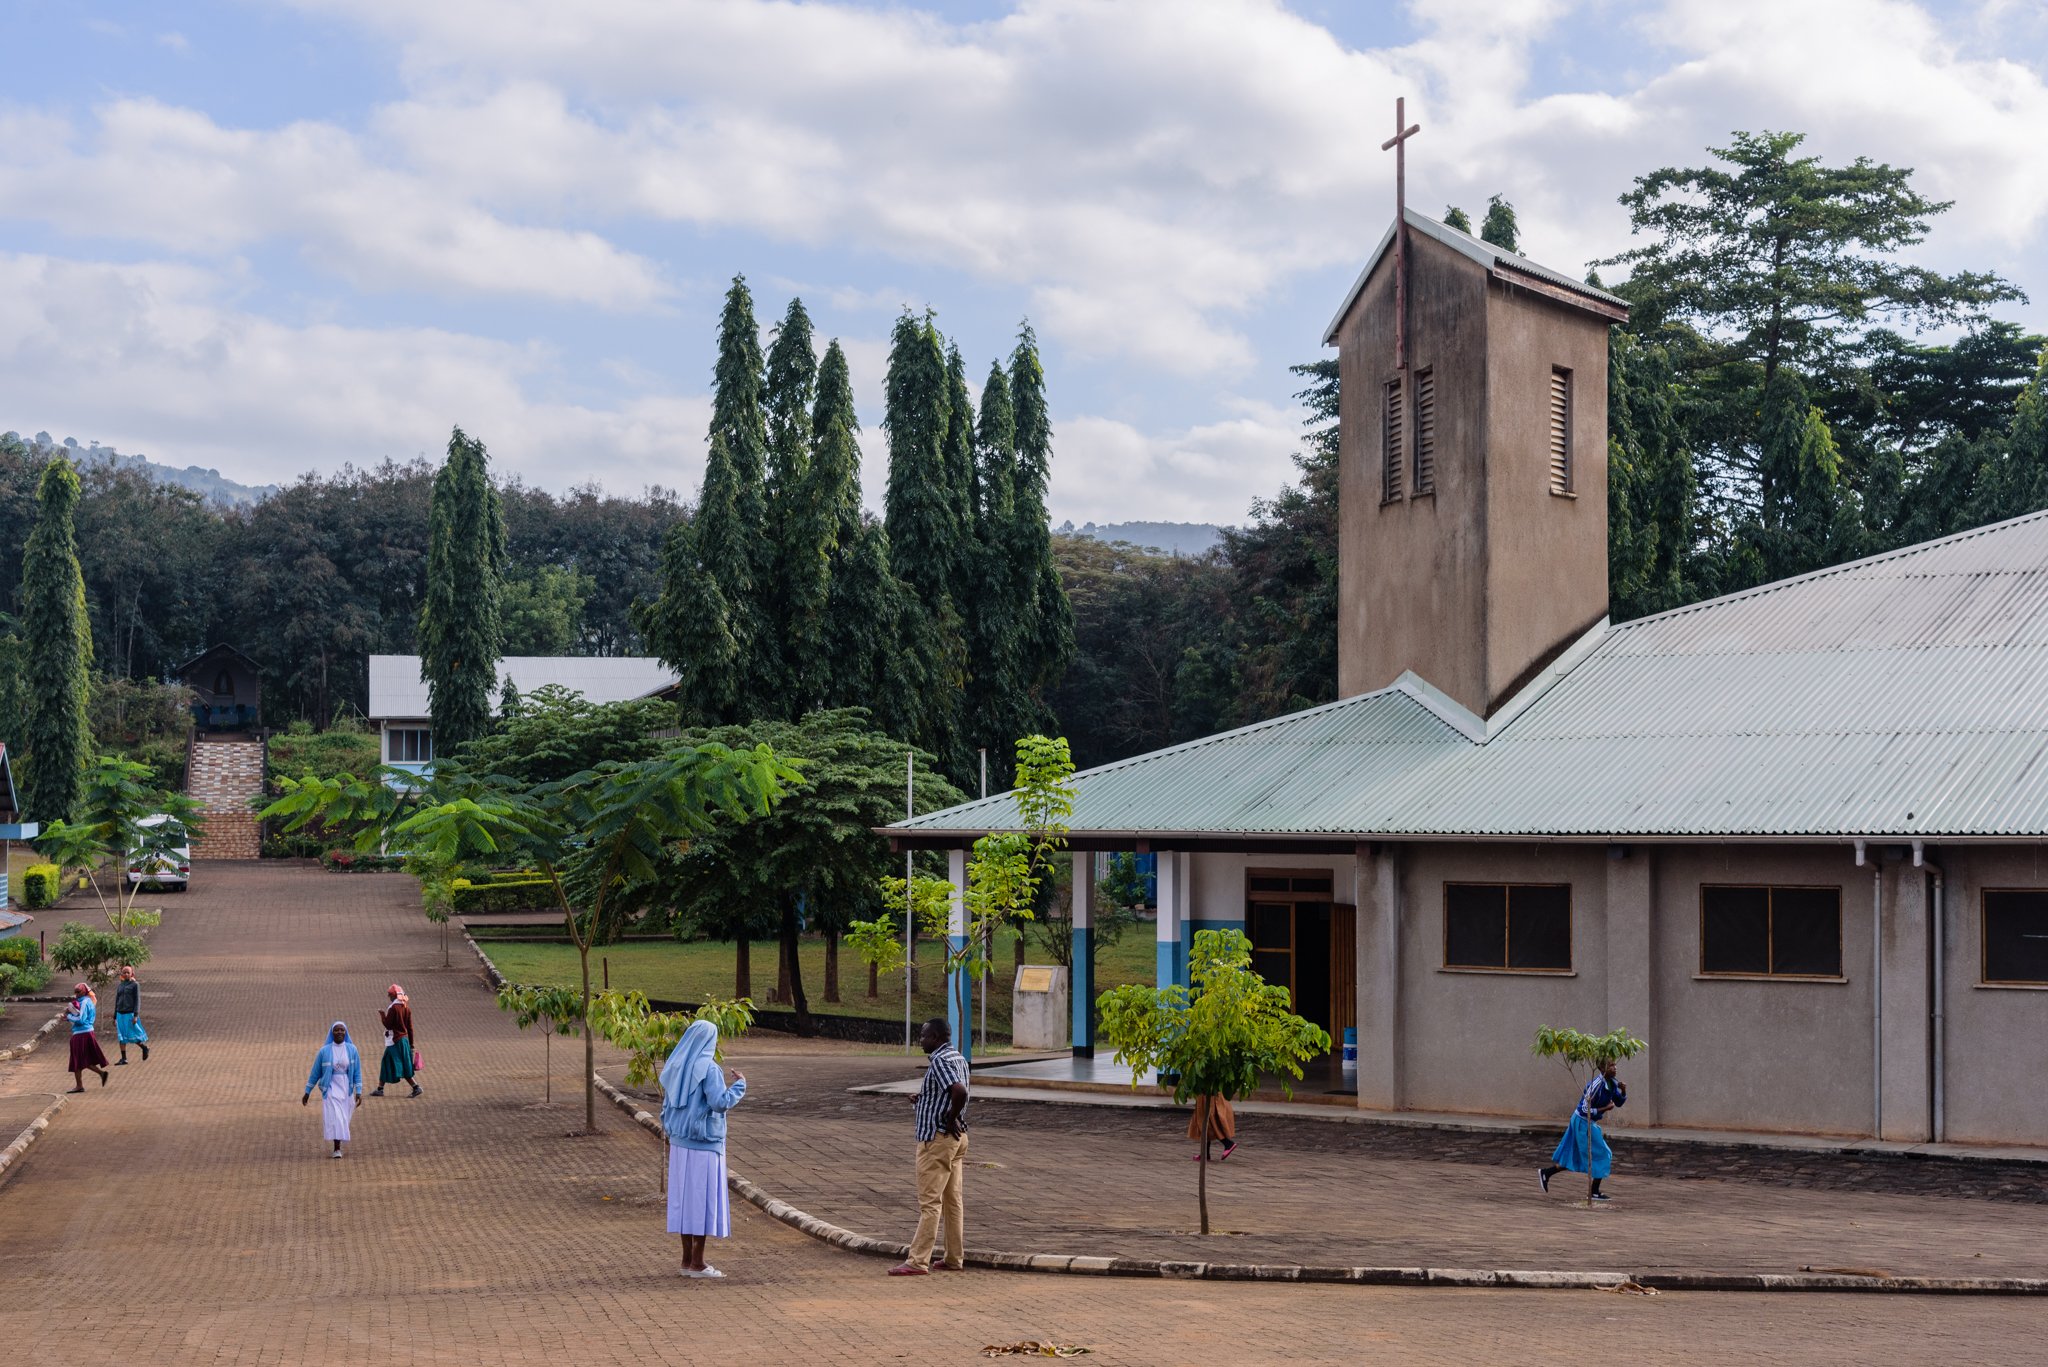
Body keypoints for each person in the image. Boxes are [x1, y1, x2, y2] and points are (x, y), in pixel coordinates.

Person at [658, 1018, 747, 1279]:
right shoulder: (709, 1069)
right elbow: (720, 1103)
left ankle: (686, 1260)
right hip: (704, 1144)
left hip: (679, 1144)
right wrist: (740, 1085)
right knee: (701, 1201)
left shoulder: (675, 1068)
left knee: (685, 1201)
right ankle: (698, 1263)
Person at [889, 1017, 969, 1276]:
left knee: (930, 1203)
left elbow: (959, 1092)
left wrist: (950, 1116)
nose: (920, 1040)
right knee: (952, 1201)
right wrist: (922, 1100)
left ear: (936, 1037)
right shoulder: (957, 1057)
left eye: (923, 1036)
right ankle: (954, 1258)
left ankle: (917, 1261)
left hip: (937, 1140)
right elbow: (949, 1093)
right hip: (957, 1141)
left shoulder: (940, 1061)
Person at [1539, 1058, 1626, 1201]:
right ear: (1602, 1069)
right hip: (1582, 1122)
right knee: (1603, 1154)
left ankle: (1546, 1173)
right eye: (1611, 1065)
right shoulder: (1595, 1085)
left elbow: (1619, 1102)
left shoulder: (1612, 1083)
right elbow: (1584, 1109)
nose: (1615, 1068)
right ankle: (1594, 1192)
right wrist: (1605, 1108)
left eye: (1615, 1065)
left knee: (1577, 1156)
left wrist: (1623, 1091)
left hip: (1587, 1122)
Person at [302, 1021, 363, 1158]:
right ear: (332, 1033)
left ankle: (338, 1144)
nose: (339, 1032)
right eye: (336, 1030)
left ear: (346, 1032)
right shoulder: (324, 1051)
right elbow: (315, 1072)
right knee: (336, 1117)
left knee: (343, 1118)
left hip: (346, 1088)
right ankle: (337, 1149)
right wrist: (307, 1091)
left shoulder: (352, 1050)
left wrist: (358, 1091)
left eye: (342, 1030)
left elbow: (357, 1072)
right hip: (330, 1088)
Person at [371, 984, 420, 1098]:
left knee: (401, 1065)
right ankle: (380, 1089)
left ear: (394, 995)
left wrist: (383, 1016)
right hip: (403, 1041)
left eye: (390, 995)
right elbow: (410, 1028)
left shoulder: (394, 1008)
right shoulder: (406, 1007)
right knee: (386, 1061)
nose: (389, 997)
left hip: (395, 1041)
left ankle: (416, 1087)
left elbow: (388, 1025)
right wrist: (411, 1044)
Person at [65, 983, 110, 1092]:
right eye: (75, 991)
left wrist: (68, 1016)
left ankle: (80, 1085)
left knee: (77, 1060)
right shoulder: (85, 1001)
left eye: (78, 991)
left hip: (82, 1033)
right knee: (81, 1059)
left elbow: (81, 1020)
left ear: (84, 991)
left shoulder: (85, 1002)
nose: (76, 994)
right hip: (85, 1032)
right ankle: (100, 1074)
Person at [113, 965, 150, 1065]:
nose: (126, 974)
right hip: (120, 1014)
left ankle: (144, 1047)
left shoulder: (135, 985)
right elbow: (117, 1001)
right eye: (124, 972)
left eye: (128, 972)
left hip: (129, 1014)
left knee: (132, 1035)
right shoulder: (120, 985)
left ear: (132, 974)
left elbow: (137, 1000)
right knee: (121, 1037)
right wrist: (115, 1016)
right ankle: (124, 1058)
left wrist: (135, 1015)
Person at [1188, 1093, 1237, 1161]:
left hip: (1208, 1094)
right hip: (1210, 1094)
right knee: (1206, 1122)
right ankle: (1205, 1154)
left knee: (1208, 1122)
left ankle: (1228, 1143)